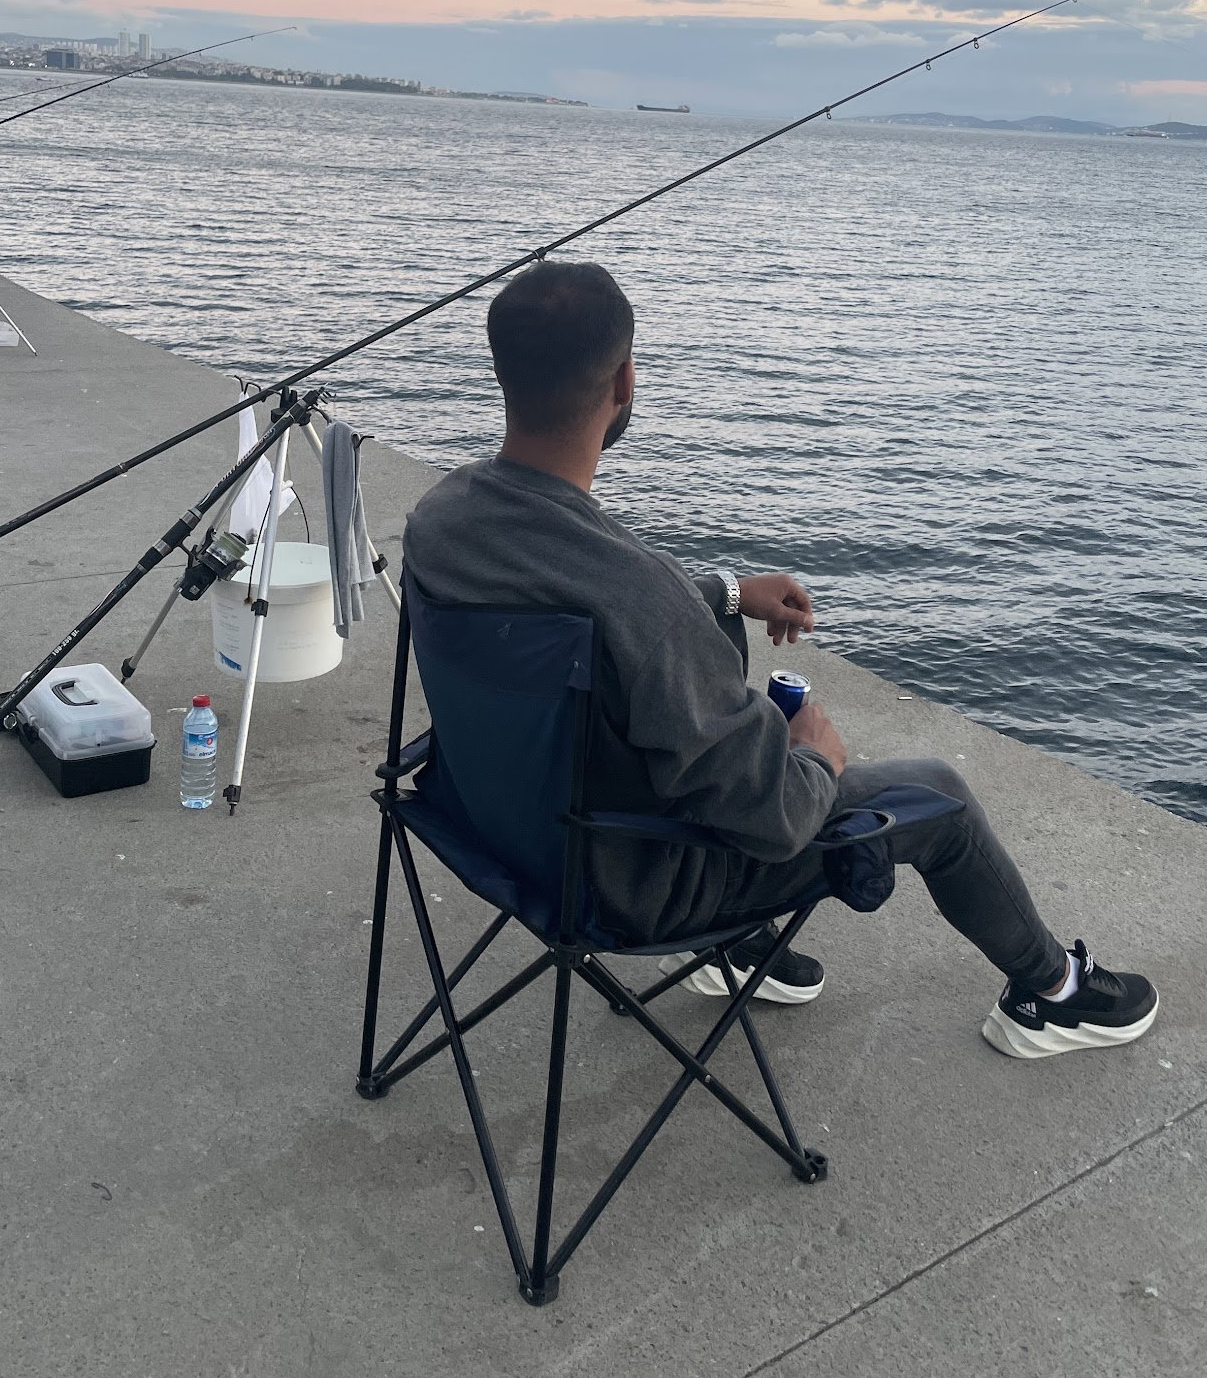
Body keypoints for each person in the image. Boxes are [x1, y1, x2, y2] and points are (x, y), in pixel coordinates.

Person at [402, 259, 1159, 1061]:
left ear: (500, 370)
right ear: (624, 381)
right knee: (938, 795)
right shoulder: (639, 592)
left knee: (718, 644)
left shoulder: (440, 520)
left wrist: (729, 593)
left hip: (497, 830)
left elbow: (582, 608)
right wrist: (814, 760)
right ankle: (1052, 995)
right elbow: (779, 821)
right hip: (630, 889)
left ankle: (741, 953)